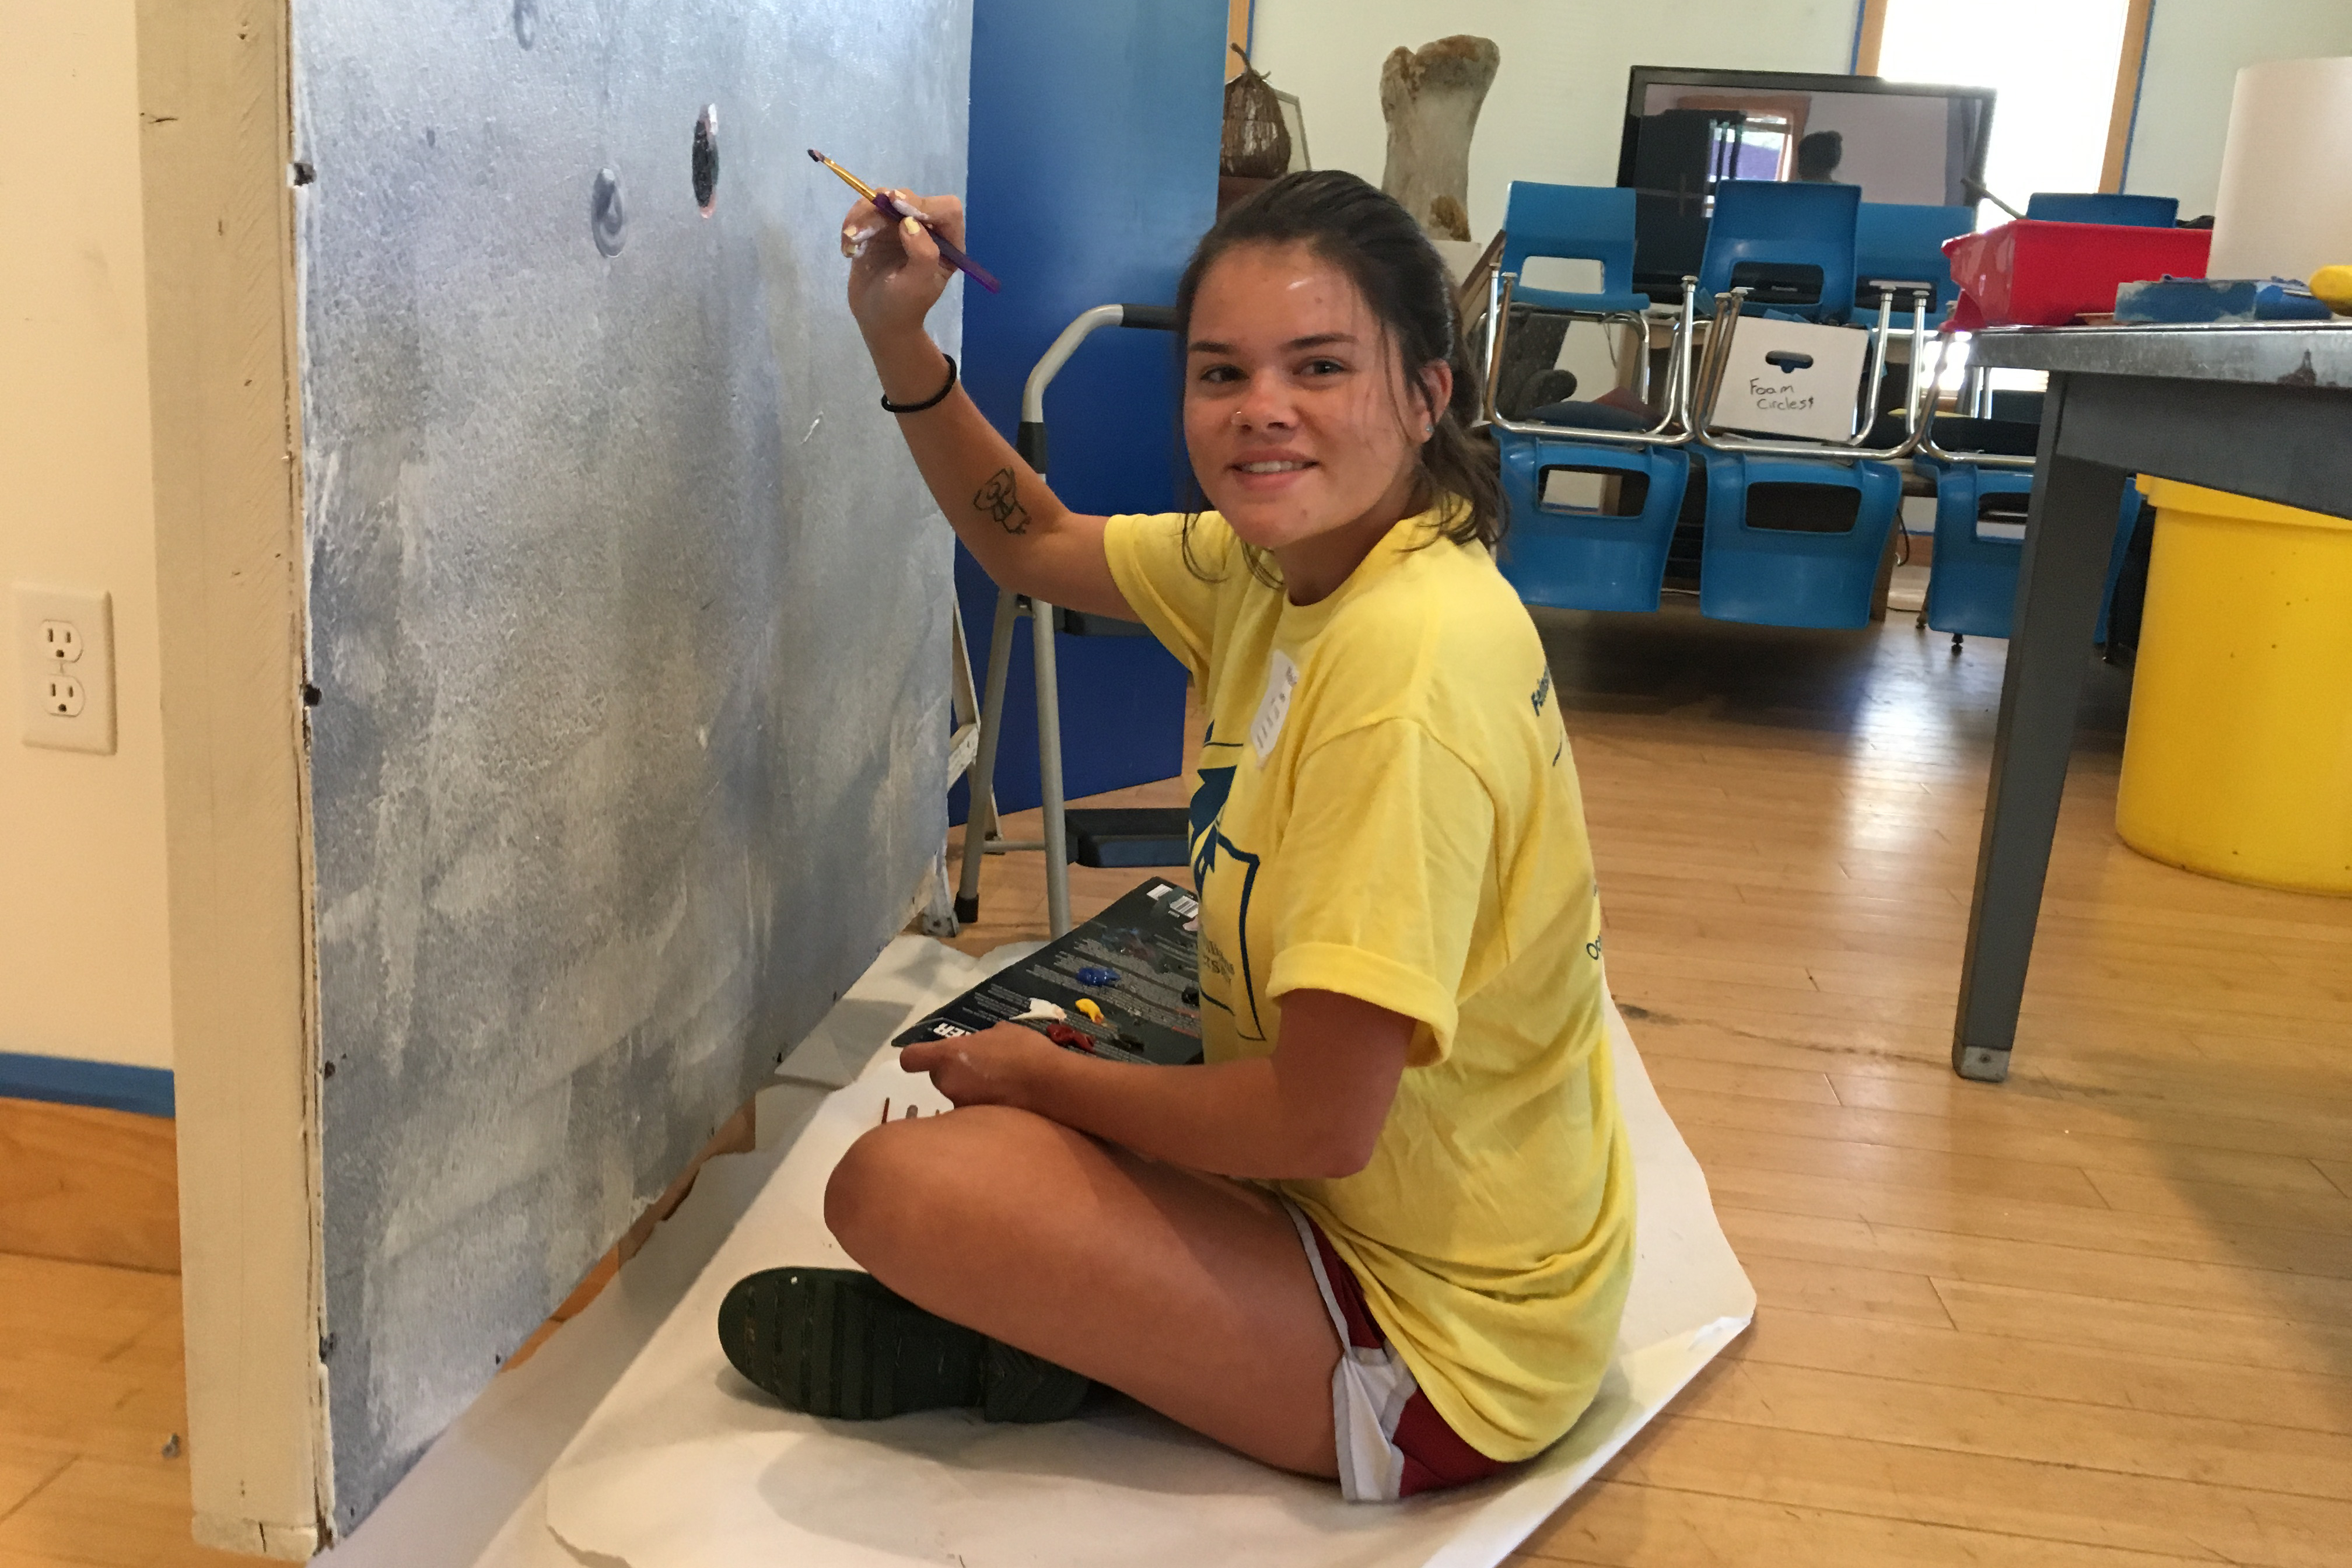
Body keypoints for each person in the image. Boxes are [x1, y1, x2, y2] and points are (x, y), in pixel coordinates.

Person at [718, 170, 1633, 1503]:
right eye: (1222, 373)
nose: (1262, 408)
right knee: (977, 1153)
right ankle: (1072, 1335)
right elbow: (1035, 546)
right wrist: (899, 337)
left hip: (1448, 1351)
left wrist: (1047, 1079)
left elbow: (1321, 1123)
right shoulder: (1291, 561)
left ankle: (1052, 1357)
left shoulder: (1405, 678)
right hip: (1372, 1209)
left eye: (1319, 367)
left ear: (1427, 394)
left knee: (898, 1193)